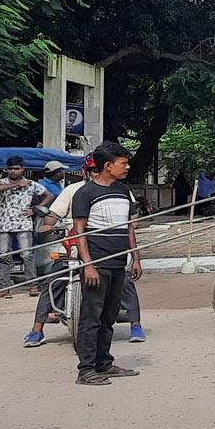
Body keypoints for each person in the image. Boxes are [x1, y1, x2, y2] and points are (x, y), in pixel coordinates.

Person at [69, 141, 141, 386]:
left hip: (118, 263)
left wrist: (136, 258)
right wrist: (88, 264)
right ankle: (86, 369)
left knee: (109, 316)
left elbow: (129, 226)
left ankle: (104, 363)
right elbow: (78, 231)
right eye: (123, 163)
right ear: (108, 166)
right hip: (97, 264)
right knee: (91, 318)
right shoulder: (85, 193)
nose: (127, 167)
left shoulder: (122, 190)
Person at [0, 155, 47, 294]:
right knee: (3, 255)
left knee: (27, 254)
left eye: (16, 169)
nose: (13, 171)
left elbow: (48, 195)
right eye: (10, 169)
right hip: (4, 223)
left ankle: (33, 285)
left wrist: (35, 209)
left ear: (22, 169)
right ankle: (4, 287)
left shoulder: (31, 184)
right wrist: (17, 185)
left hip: (24, 223)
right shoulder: (0, 181)